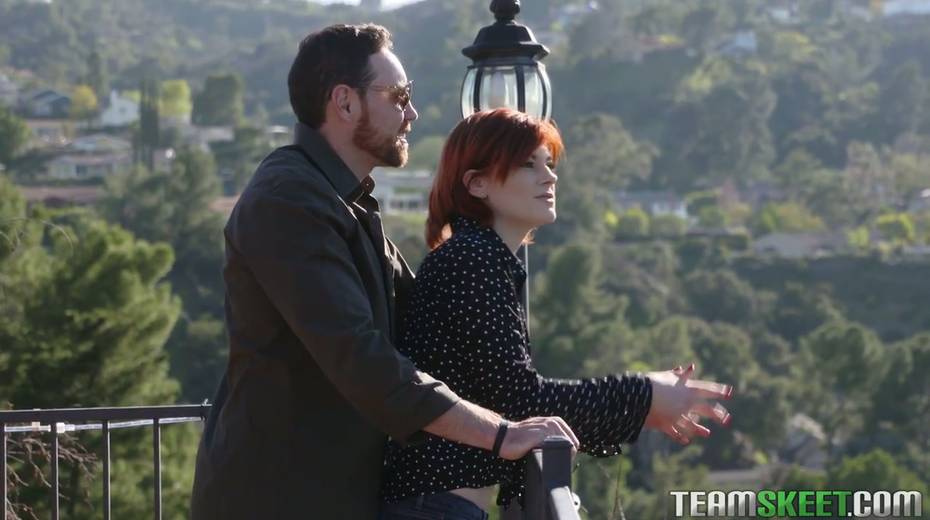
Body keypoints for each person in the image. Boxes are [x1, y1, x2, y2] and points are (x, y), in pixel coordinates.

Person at [190, 25, 580, 520]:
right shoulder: (288, 201)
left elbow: (426, 330)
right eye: (399, 97)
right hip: (275, 499)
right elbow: (364, 360)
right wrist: (501, 435)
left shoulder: (343, 202)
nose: (412, 113)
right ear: (345, 103)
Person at [379, 108, 733, 519]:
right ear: (477, 184)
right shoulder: (472, 259)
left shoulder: (476, 257)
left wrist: (644, 405)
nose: (549, 177)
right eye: (528, 165)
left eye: (548, 163)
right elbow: (520, 399)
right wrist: (645, 395)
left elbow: (510, 402)